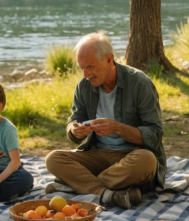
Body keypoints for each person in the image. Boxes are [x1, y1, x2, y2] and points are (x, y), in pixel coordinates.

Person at [44, 32, 165, 209]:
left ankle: (75, 186)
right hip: (98, 154)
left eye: (91, 67)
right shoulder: (84, 86)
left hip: (131, 156)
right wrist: (74, 130)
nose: (86, 74)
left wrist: (117, 128)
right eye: (82, 68)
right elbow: (74, 121)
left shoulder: (139, 83)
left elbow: (155, 135)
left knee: (147, 160)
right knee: (53, 159)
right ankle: (108, 194)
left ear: (109, 60)